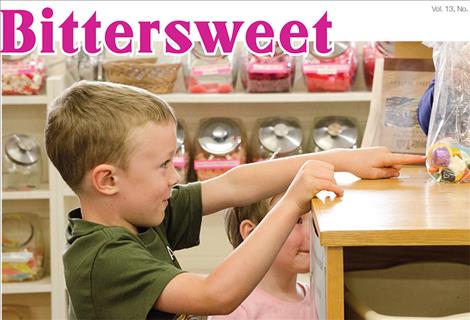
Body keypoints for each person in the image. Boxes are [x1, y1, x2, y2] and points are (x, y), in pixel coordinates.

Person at [44, 80, 425, 320]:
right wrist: (291, 203)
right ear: (108, 180)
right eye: (163, 165)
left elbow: (233, 185)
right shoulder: (102, 259)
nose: (175, 177)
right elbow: (216, 295)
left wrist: (341, 159)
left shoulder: (136, 214)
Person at [209, 195, 314, 320]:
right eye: (297, 221)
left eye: (314, 221)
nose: (311, 232)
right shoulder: (235, 310)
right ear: (252, 233)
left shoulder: (318, 299)